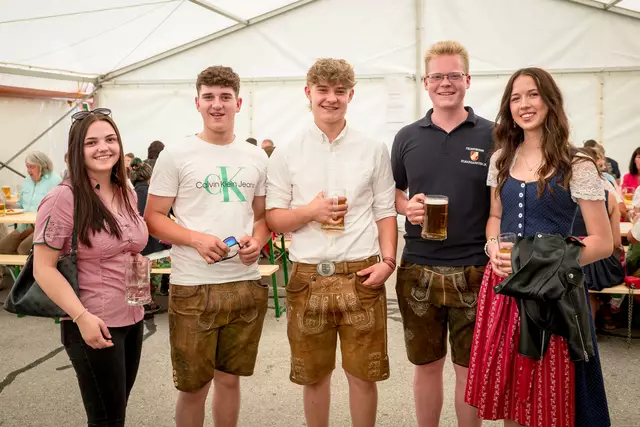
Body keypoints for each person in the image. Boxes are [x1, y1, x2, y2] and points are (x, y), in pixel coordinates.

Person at [465, 67, 612, 427]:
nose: (524, 104)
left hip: (554, 293)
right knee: (511, 394)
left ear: (550, 101)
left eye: (533, 94)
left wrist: (543, 261)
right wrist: (492, 247)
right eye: (516, 98)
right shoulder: (502, 158)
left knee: (551, 395)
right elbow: (495, 216)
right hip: (504, 290)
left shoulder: (577, 164)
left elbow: (603, 242)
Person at [266, 58, 397, 427]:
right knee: (314, 376)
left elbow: (386, 211)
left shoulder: (373, 148)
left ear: (351, 95)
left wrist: (388, 262)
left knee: (364, 376)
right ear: (308, 93)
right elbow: (273, 218)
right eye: (323, 90)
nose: (331, 98)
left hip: (361, 272)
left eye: (340, 91)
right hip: (308, 274)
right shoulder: (287, 151)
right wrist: (311, 212)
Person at [144, 65, 270, 427]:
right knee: (193, 387)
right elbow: (153, 217)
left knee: (229, 381)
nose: (217, 104)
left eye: (225, 97)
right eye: (209, 97)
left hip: (244, 282)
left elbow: (263, 218)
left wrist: (257, 242)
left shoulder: (256, 157)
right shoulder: (176, 154)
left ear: (238, 103)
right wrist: (196, 239)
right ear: (197, 102)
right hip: (193, 285)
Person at [391, 40, 492, 427]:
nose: (445, 83)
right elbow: (393, 192)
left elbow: (503, 201)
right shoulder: (407, 136)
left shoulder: (494, 135)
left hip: (476, 269)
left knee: (469, 370)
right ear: (425, 82)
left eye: (453, 75)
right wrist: (407, 207)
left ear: (467, 79)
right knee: (427, 367)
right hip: (418, 267)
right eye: (437, 76)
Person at [32, 109, 148, 426]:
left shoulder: (126, 191)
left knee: (116, 413)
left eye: (110, 139)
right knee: (106, 419)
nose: (103, 148)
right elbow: (43, 268)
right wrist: (82, 318)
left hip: (133, 315)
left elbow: (130, 245)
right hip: (92, 322)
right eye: (91, 142)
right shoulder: (63, 198)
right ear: (76, 150)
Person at [0, 151, 61, 255]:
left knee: (22, 250)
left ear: (42, 166)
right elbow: (20, 205)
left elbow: (60, 210)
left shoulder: (55, 180)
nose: (28, 170)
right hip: (25, 225)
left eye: (32, 167)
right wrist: (5, 204)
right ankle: (20, 264)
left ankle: (30, 264)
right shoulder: (28, 180)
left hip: (44, 227)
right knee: (2, 248)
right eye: (27, 167)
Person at [130, 159, 166, 317]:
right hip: (152, 244)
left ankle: (145, 301)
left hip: (136, 242)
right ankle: (149, 302)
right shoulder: (151, 194)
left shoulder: (130, 193)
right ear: (150, 177)